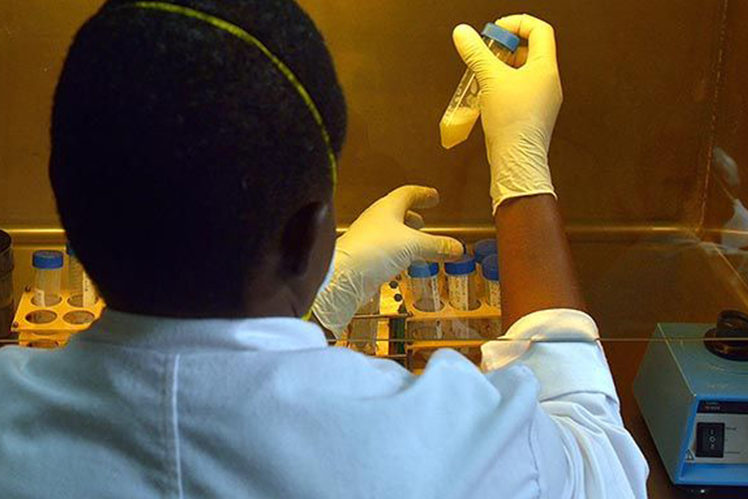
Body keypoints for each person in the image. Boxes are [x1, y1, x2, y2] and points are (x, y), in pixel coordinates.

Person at [0, 1, 648, 497]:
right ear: (308, 236)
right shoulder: (437, 444)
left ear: (70, 212)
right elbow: (600, 464)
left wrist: (312, 309)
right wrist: (521, 169)